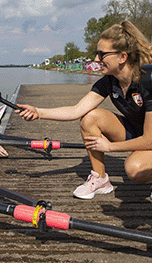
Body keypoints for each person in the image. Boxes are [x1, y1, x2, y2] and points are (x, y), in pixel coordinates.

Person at [15, 21, 152, 200]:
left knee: (135, 169)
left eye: (102, 54)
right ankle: (100, 179)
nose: (96, 59)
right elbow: (76, 110)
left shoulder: (147, 81)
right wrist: (38, 112)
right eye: (97, 54)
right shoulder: (110, 81)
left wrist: (110, 147)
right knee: (90, 117)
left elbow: (149, 139)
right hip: (139, 133)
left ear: (122, 57)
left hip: (149, 137)